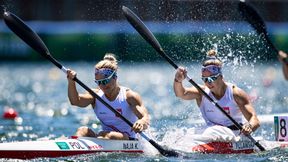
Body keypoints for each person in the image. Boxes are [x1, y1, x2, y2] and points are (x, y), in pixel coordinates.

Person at [173, 49, 260, 137]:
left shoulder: (236, 93)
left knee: (212, 131)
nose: (208, 82)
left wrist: (249, 126)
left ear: (221, 76)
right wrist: (178, 80)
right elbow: (181, 94)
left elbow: (254, 119)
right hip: (211, 134)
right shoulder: (202, 92)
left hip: (234, 135)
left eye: (211, 78)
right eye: (205, 79)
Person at [66, 53, 150, 140]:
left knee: (110, 136)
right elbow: (75, 101)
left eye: (105, 81)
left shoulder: (129, 96)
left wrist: (141, 122)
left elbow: (145, 117)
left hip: (130, 139)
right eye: (99, 82)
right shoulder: (95, 95)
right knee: (82, 130)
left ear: (115, 77)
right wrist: (71, 82)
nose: (102, 85)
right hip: (104, 137)